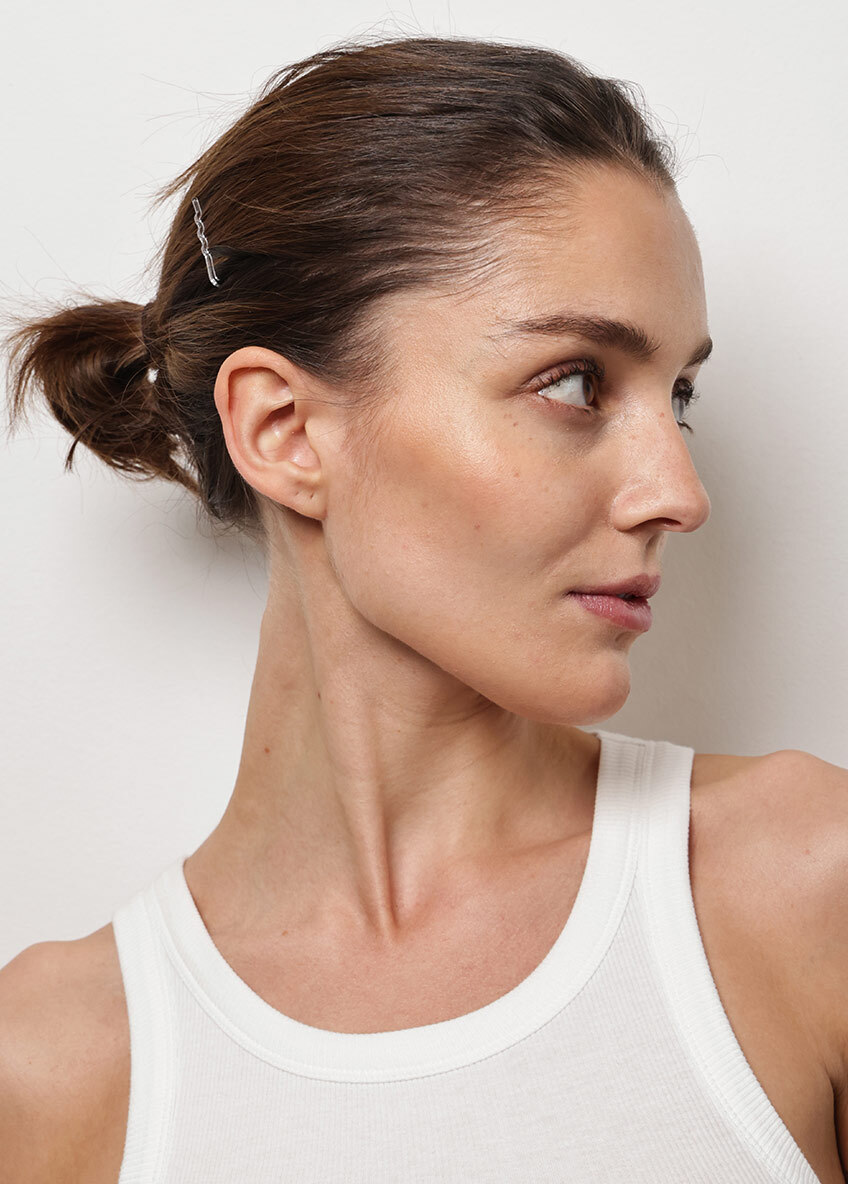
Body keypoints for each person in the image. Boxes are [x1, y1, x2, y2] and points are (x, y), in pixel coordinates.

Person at [1, 33, 846, 1184]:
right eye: (574, 382)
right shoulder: (54, 1065)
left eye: (677, 394)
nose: (678, 494)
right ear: (284, 432)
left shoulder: (802, 883)